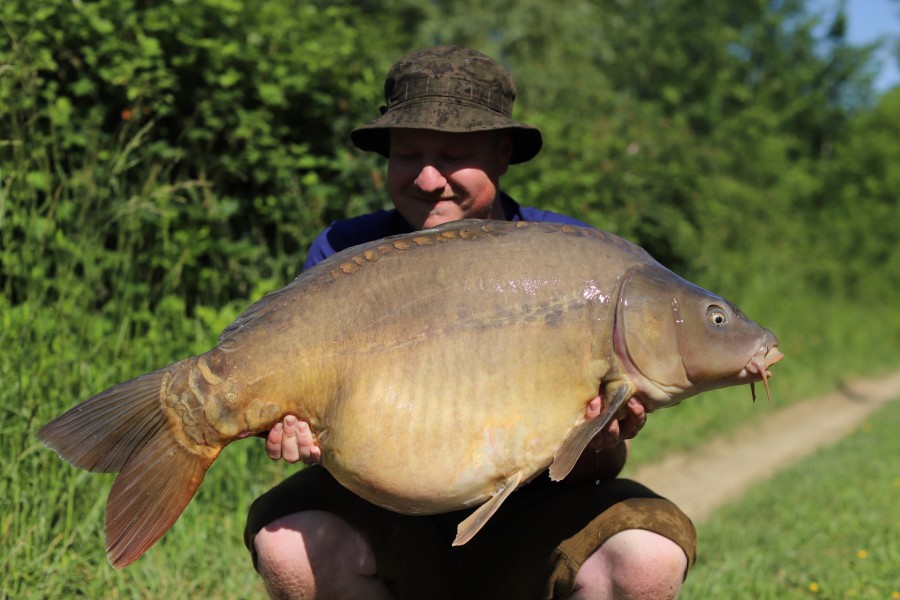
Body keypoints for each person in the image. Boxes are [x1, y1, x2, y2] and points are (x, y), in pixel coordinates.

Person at [244, 45, 696, 600]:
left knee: (647, 558)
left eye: (453, 155)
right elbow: (318, 427)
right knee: (288, 547)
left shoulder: (575, 260)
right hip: (386, 508)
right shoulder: (345, 253)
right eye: (408, 155)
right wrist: (302, 430)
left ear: (503, 153)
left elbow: (600, 467)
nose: (429, 179)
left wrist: (601, 438)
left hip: (532, 510)